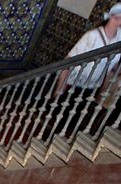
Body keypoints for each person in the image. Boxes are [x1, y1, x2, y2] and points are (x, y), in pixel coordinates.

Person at [51, 4, 121, 136]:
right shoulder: (92, 36)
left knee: (75, 118)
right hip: (74, 83)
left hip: (92, 86)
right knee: (61, 117)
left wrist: (102, 90)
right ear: (110, 17)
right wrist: (60, 88)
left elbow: (111, 68)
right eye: (117, 18)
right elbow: (69, 60)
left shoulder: (119, 39)